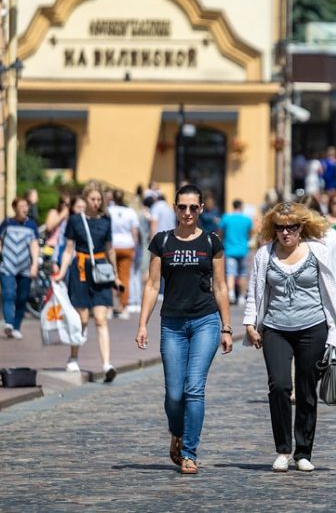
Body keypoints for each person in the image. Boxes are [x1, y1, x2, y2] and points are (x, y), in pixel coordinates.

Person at [243, 201, 336, 473]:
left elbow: (332, 290)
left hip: (313, 327)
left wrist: (335, 332)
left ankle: (303, 452)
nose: (286, 232)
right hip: (275, 328)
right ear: (273, 228)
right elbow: (255, 291)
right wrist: (250, 323)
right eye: (280, 227)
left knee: (306, 390)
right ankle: (283, 450)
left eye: (291, 227)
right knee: (279, 385)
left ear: (302, 227)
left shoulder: (318, 251)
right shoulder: (264, 254)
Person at [136, 184, 232, 475]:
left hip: (205, 321)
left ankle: (189, 453)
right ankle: (176, 432)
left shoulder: (212, 242)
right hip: (173, 324)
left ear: (201, 209)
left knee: (194, 389)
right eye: (182, 207)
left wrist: (226, 327)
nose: (187, 212)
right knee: (174, 395)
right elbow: (152, 285)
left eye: (193, 207)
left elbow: (220, 286)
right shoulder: (162, 241)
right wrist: (142, 324)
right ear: (175, 208)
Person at [57, 181, 125, 380]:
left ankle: (106, 365)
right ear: (85, 199)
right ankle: (73, 357)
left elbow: (110, 249)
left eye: (98, 199)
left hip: (101, 271)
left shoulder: (106, 220)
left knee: (101, 319)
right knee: (82, 319)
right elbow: (68, 249)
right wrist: (61, 272)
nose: (96, 202)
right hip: (80, 270)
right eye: (92, 199)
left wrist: (116, 275)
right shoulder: (75, 220)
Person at [0, 196, 41, 339]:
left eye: (26, 206)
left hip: (25, 267)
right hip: (7, 266)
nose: (25, 209)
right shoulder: (7, 223)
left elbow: (34, 246)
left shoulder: (31, 225)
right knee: (8, 294)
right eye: (21, 206)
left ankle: (16, 327)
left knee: (22, 297)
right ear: (14, 208)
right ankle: (9, 323)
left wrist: (34, 265)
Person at [108, 189, 140, 319]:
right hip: (127, 245)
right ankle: (123, 306)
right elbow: (134, 232)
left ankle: (109, 307)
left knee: (111, 276)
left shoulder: (109, 211)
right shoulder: (130, 212)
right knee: (125, 277)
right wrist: (135, 246)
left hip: (112, 245)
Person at [220, 198, 255, 306]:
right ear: (241, 206)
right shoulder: (247, 219)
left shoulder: (226, 218)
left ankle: (231, 294)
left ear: (233, 206)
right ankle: (241, 297)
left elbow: (220, 232)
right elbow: (251, 233)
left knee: (230, 273)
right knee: (243, 274)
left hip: (229, 250)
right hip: (243, 250)